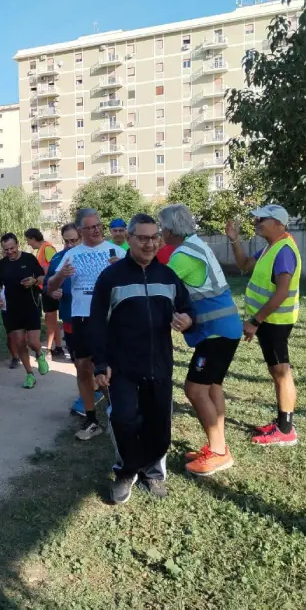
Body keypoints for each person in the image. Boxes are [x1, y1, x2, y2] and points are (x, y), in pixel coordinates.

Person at [91, 214, 196, 504]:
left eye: (154, 238)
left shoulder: (168, 276)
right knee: (124, 420)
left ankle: (153, 473)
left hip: (159, 364)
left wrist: (188, 319)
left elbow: (188, 308)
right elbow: (97, 322)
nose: (150, 244)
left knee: (158, 426)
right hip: (122, 366)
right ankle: (126, 472)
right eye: (143, 238)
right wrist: (100, 363)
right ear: (130, 239)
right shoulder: (111, 278)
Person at [160, 204, 242, 476]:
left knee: (195, 390)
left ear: (170, 230)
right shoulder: (197, 245)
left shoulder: (183, 255)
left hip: (214, 331)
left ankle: (218, 452)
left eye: (161, 228)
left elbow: (162, 289)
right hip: (226, 327)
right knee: (212, 388)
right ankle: (218, 446)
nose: (160, 233)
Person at [226, 205, 301, 446]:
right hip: (269, 320)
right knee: (277, 371)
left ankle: (286, 430)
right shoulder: (271, 247)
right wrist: (234, 240)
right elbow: (245, 264)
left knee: (281, 372)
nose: (256, 222)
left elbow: (282, 292)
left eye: (262, 219)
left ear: (278, 223)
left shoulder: (284, 251)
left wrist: (256, 321)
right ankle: (282, 423)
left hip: (274, 321)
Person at [49, 209, 123, 439]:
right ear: (80, 231)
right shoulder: (71, 255)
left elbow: (135, 281)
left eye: (98, 225)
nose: (96, 230)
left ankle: (118, 414)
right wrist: (61, 275)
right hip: (81, 317)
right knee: (83, 367)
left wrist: (120, 269)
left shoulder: (116, 251)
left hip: (110, 317)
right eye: (90, 227)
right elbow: (50, 287)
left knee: (111, 369)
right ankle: (92, 420)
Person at [0, 233, 49, 389]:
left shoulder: (29, 259)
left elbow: (43, 277)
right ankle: (30, 374)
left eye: (12, 248)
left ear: (18, 244)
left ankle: (39, 353)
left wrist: (34, 281)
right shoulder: (3, 264)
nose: (10, 252)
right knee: (19, 343)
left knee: (32, 342)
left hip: (31, 305)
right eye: (6, 250)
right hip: (13, 308)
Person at [44, 224, 84, 410]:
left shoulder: (89, 255)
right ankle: (85, 395)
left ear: (81, 238)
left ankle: (95, 392)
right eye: (66, 241)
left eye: (73, 240)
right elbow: (47, 286)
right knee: (77, 359)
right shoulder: (58, 259)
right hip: (69, 317)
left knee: (95, 359)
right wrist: (53, 292)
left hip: (94, 317)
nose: (69, 244)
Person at [24, 227, 64, 360]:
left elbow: (55, 269)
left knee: (50, 320)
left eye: (28, 240)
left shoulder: (47, 248)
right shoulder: (42, 249)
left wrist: (39, 279)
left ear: (33, 239)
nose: (28, 243)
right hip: (46, 288)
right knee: (51, 320)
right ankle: (58, 348)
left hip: (50, 288)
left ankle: (49, 350)